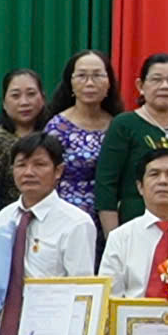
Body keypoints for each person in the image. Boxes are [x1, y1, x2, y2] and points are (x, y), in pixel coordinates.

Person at [0, 132, 98, 335]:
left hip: (52, 329)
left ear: (58, 171)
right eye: (21, 165)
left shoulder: (76, 223)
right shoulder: (3, 219)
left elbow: (81, 291)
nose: (28, 172)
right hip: (0, 327)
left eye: (39, 165)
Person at [96, 53, 168, 233]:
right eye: (156, 79)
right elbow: (106, 185)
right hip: (134, 227)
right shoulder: (124, 125)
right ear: (141, 86)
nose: (164, 86)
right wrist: (113, 237)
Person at [99, 146, 168, 299]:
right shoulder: (120, 237)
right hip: (132, 313)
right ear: (140, 187)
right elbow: (109, 297)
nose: (163, 181)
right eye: (154, 174)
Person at [44, 49, 122, 219]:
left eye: (97, 75)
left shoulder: (118, 125)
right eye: (81, 76)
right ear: (70, 83)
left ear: (109, 82)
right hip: (66, 217)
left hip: (111, 216)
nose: (89, 83)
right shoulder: (57, 127)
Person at [0, 68, 48, 224]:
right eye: (15, 95)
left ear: (43, 98)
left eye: (31, 94)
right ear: (4, 103)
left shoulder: (54, 134)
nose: (24, 102)